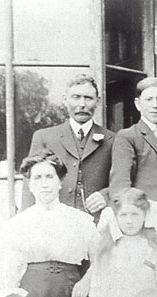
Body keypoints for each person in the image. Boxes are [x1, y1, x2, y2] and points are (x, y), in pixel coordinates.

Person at [1, 151, 100, 297]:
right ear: (29, 185)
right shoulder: (19, 224)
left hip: (70, 294)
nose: (44, 184)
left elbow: (100, 258)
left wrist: (87, 281)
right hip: (34, 295)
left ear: (60, 182)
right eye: (37, 178)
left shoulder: (80, 220)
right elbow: (10, 271)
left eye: (50, 177)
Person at [23, 74, 115, 218]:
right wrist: (26, 222)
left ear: (98, 101)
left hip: (96, 223)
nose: (82, 104)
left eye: (88, 98)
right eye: (76, 97)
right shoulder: (44, 137)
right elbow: (30, 184)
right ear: (65, 99)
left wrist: (106, 195)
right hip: (54, 220)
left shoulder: (112, 139)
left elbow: (123, 182)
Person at [110, 77, 157, 213]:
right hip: (144, 216)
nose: (155, 105)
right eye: (149, 99)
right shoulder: (128, 136)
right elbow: (120, 186)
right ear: (138, 104)